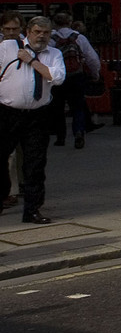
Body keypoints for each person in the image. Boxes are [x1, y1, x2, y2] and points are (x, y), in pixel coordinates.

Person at [1, 15, 65, 225]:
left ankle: (32, 209)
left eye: (46, 33)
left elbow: (57, 77)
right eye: (37, 31)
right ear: (28, 31)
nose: (42, 36)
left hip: (38, 115)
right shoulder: (9, 47)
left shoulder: (53, 53)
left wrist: (33, 61)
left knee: (35, 164)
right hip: (8, 113)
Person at [49, 13, 100, 149]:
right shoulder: (79, 38)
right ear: (70, 22)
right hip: (76, 76)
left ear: (54, 23)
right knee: (78, 106)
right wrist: (95, 74)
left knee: (58, 107)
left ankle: (60, 137)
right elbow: (92, 59)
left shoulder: (51, 39)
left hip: (57, 77)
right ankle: (78, 132)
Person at [0, 13, 23, 209]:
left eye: (14, 29)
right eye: (7, 29)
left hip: (18, 105)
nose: (10, 33)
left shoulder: (26, 47)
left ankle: (13, 190)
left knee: (13, 152)